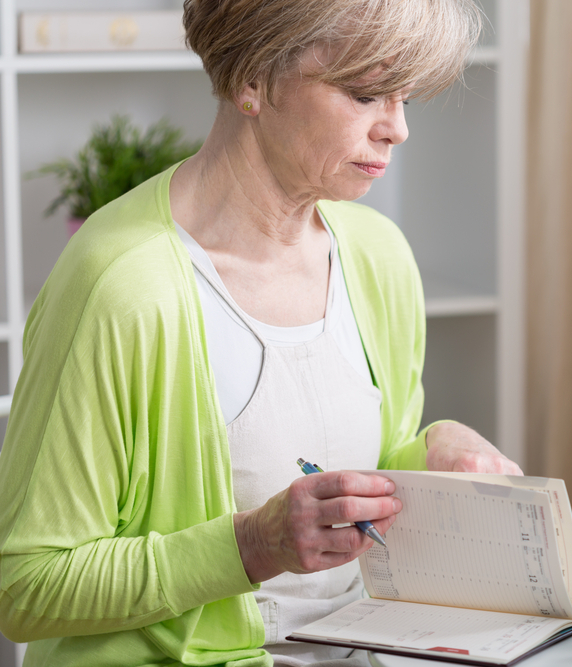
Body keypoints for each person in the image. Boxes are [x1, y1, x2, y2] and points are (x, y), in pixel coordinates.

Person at [0, 1, 521, 665]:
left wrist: (433, 454)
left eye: (405, 96)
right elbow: (26, 586)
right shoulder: (120, 286)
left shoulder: (377, 254)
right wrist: (252, 545)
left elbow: (355, 486)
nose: (397, 129)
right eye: (365, 93)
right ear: (252, 80)